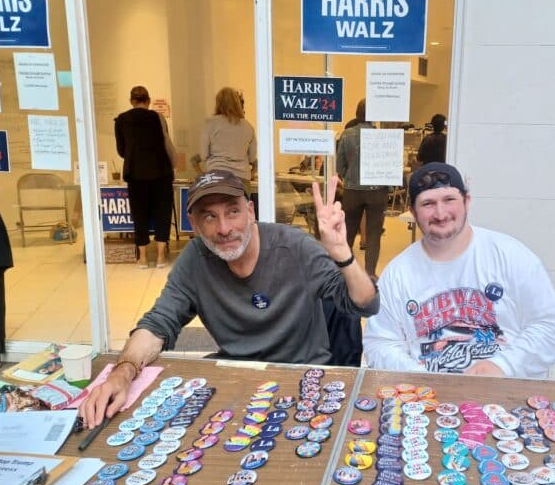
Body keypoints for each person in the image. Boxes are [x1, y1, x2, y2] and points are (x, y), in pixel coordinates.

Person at [80, 169, 378, 427]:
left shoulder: (294, 246)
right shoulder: (195, 259)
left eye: (232, 211)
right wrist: (123, 371)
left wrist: (342, 254)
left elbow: (367, 303)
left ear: (250, 211)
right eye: (209, 216)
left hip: (302, 380)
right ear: (193, 224)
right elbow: (158, 324)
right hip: (235, 383)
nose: (224, 228)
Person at [363, 162, 555, 378]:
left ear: (467, 201)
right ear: (412, 211)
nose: (440, 214)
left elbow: (549, 328)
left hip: (506, 397)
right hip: (429, 398)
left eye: (449, 200)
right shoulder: (397, 274)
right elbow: (380, 342)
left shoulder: (511, 256)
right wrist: (419, 377)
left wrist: (504, 366)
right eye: (428, 204)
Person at [115, 86, 174, 268]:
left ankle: (142, 258)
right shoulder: (157, 117)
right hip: (160, 171)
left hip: (135, 173)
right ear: (148, 101)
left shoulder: (121, 120)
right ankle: (160, 257)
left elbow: (121, 150)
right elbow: (166, 143)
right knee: (162, 212)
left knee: (139, 214)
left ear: (131, 101)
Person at [336, 99, 388, 277]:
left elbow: (339, 167)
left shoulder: (347, 134)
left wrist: (349, 177)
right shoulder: (382, 136)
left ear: (357, 113)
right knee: (374, 234)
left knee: (348, 233)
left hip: (352, 191)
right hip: (377, 191)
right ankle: (371, 273)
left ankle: (345, 271)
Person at [200, 87, 257, 182]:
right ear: (237, 103)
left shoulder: (210, 123)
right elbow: (252, 157)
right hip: (241, 177)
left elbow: (203, 155)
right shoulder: (248, 126)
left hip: (216, 176)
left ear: (218, 103)